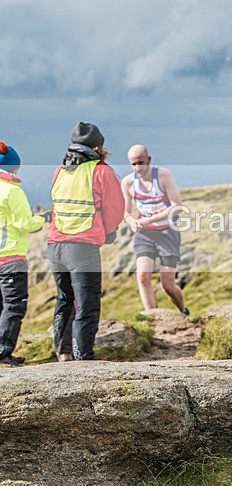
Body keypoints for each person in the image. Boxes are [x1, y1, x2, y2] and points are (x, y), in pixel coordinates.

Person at [47, 122, 125, 361]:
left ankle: (63, 353)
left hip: (54, 246)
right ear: (98, 147)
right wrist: (107, 232)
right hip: (82, 248)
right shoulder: (101, 171)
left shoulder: (60, 171)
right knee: (87, 304)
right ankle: (84, 358)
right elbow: (115, 210)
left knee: (64, 299)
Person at [121, 145, 188, 316]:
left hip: (167, 232)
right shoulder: (128, 182)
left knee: (168, 285)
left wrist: (149, 219)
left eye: (141, 163)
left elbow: (177, 207)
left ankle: (182, 312)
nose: (138, 168)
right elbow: (126, 213)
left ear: (149, 160)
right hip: (145, 234)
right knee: (143, 277)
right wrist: (131, 222)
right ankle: (153, 320)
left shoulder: (164, 176)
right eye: (133, 164)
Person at [0, 141, 47, 367]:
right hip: (11, 258)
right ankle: (3, 352)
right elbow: (24, 223)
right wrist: (43, 219)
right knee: (14, 305)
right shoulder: (12, 191)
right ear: (14, 167)